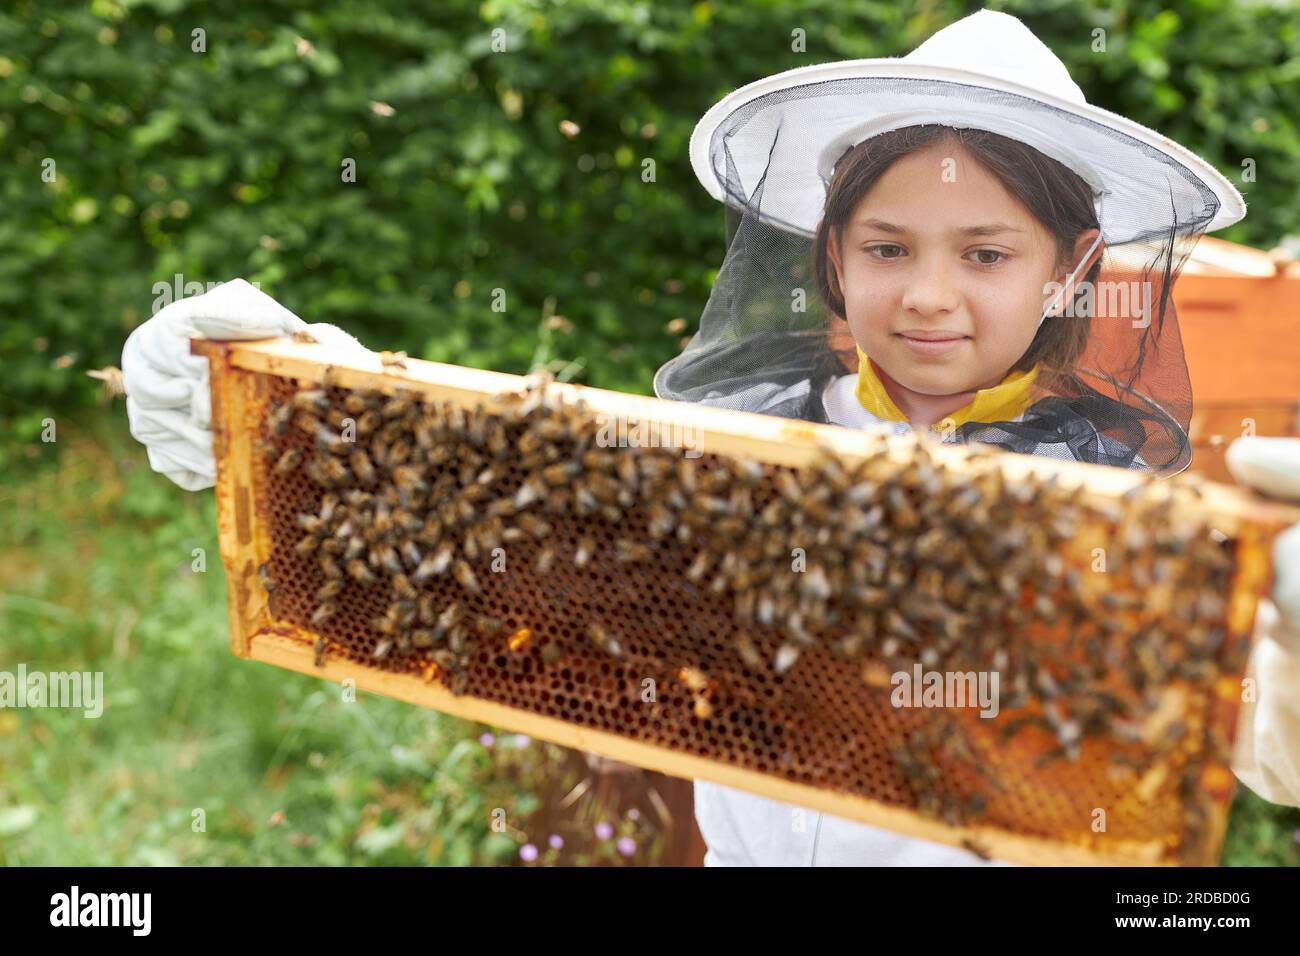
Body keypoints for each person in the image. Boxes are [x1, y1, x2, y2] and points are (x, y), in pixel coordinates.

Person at [122, 8, 1300, 867]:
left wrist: (1289, 662)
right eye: (888, 247)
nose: (930, 295)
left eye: (985, 254)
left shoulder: (1114, 517)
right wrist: (301, 405)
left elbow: (1249, 744)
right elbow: (498, 542)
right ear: (833, 257)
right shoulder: (736, 451)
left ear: (1072, 271)